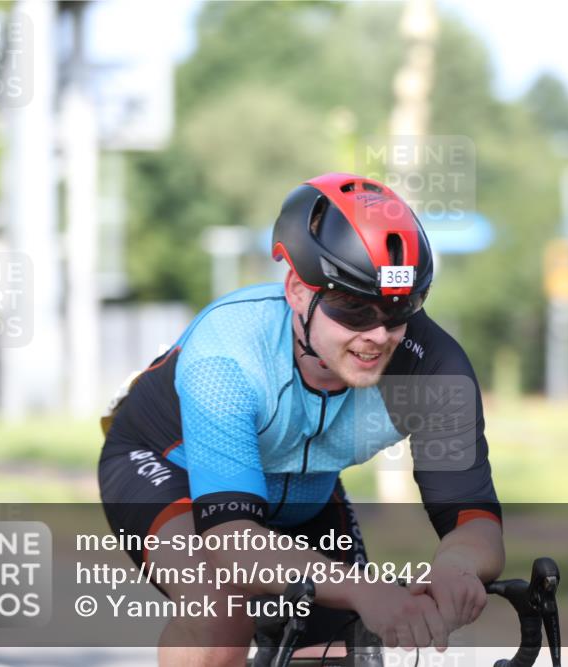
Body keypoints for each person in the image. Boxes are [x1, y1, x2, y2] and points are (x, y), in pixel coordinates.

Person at [98, 173, 504, 666]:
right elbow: (234, 547)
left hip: (300, 486)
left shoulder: (434, 371)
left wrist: (458, 566)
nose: (377, 334)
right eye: (353, 308)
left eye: (399, 310)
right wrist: (363, 590)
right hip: (167, 468)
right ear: (296, 289)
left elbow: (475, 520)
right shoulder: (228, 356)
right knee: (221, 607)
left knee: (342, 647)